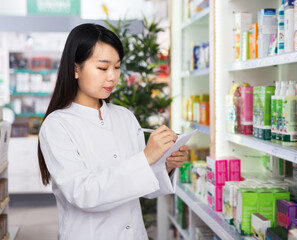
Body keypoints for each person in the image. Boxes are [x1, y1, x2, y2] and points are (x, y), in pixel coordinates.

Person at [38, 23, 188, 240]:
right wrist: (146, 158)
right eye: (102, 68)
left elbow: (141, 186)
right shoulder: (57, 125)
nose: (112, 77)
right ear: (75, 69)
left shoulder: (125, 117)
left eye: (117, 67)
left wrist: (165, 165)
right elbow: (83, 194)